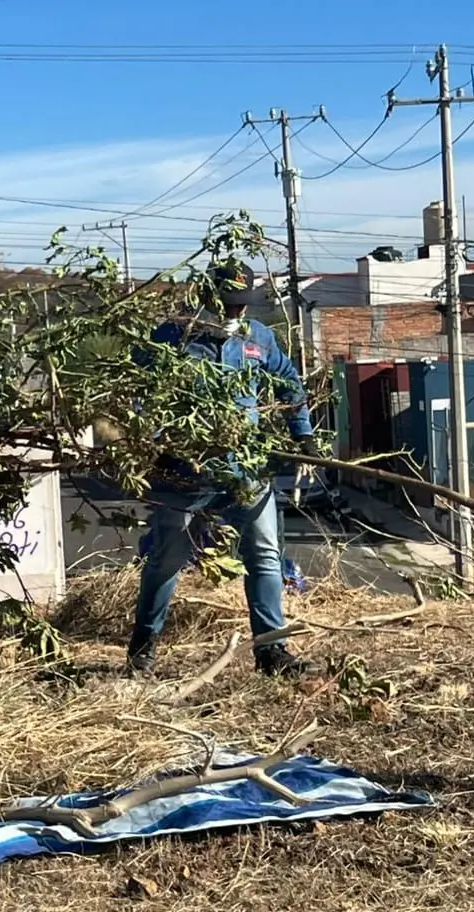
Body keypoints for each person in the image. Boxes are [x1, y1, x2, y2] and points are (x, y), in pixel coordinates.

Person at [127, 265, 320, 678]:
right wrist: (154, 440)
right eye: (227, 303)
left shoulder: (257, 338)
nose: (234, 311)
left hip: (244, 470)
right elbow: (138, 388)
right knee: (168, 557)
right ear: (208, 298)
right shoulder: (173, 335)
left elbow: (289, 381)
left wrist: (302, 433)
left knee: (265, 554)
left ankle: (272, 652)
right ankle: (142, 650)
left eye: (240, 304)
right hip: (182, 469)